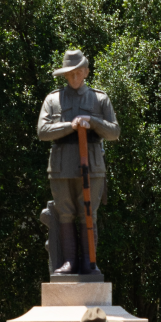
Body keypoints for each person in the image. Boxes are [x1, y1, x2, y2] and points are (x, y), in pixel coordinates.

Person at [37, 49, 119, 274]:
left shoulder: (99, 98)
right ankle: (69, 262)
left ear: (86, 73)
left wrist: (92, 121)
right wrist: (70, 125)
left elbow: (114, 132)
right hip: (61, 166)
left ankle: (89, 263)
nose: (73, 78)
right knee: (65, 212)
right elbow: (42, 131)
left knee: (88, 213)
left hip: (91, 166)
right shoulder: (52, 99)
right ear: (64, 75)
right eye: (69, 74)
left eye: (78, 73)